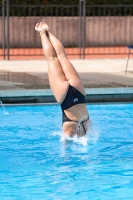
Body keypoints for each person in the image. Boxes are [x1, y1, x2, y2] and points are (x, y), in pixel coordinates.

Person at [35, 22, 91, 137]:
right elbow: (64, 152)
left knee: (62, 56)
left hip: (79, 94)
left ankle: (47, 31)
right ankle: (42, 33)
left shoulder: (89, 126)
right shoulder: (75, 131)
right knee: (51, 59)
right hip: (66, 100)